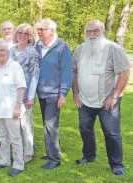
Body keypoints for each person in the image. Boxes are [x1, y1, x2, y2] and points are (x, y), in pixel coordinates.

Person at [72, 20, 131, 176]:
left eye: (95, 31)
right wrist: (76, 93)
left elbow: (124, 72)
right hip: (84, 101)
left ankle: (117, 165)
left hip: (108, 102)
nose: (92, 34)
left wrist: (114, 96)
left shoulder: (113, 49)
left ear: (102, 31)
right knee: (85, 130)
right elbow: (75, 72)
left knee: (112, 134)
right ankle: (89, 156)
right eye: (88, 31)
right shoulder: (80, 50)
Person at [35, 18, 73, 170]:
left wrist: (62, 94)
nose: (38, 32)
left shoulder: (62, 47)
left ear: (51, 30)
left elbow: (67, 72)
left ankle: (54, 160)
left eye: (41, 29)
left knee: (51, 126)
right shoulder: (38, 46)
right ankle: (51, 152)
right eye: (38, 29)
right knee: (47, 124)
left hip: (54, 93)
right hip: (41, 92)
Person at [0, 40, 26, 177]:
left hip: (11, 109)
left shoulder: (14, 66)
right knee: (2, 137)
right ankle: (4, 161)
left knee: (15, 137)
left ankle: (18, 165)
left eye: (1, 50)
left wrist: (18, 106)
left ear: (7, 52)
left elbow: (21, 87)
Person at [9, 23, 40, 163]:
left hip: (26, 93)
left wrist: (31, 96)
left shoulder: (32, 52)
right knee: (15, 123)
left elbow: (35, 74)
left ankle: (28, 152)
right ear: (16, 34)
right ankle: (18, 148)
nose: (22, 35)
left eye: (26, 33)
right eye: (20, 32)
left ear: (30, 36)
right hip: (11, 93)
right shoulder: (11, 50)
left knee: (25, 124)